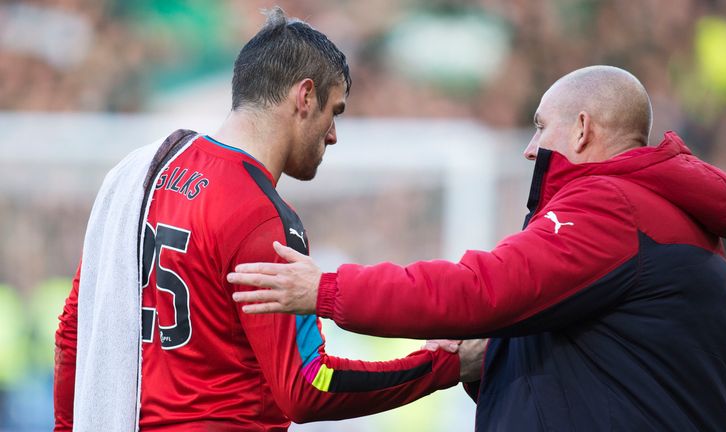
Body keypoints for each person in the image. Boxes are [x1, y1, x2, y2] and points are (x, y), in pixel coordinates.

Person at [228, 65, 726, 431]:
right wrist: (485, 363)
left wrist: (329, 288)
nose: (529, 148)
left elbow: (481, 290)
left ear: (584, 130)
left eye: (541, 127)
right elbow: (581, 352)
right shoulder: (649, 213)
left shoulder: (612, 205)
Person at [54, 8, 469, 431]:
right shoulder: (262, 218)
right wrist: (441, 366)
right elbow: (308, 388)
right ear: (305, 96)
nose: (333, 134)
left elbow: (74, 329)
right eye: (335, 111)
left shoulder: (140, 173)